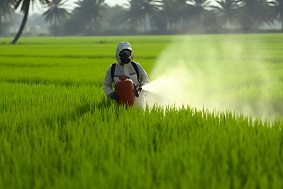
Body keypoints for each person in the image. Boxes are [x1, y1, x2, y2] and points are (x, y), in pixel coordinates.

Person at [103, 41, 149, 108]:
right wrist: (111, 94)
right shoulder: (112, 69)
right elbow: (106, 85)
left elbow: (145, 79)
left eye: (127, 53)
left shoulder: (136, 66)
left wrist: (141, 89)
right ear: (118, 54)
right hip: (119, 102)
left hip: (138, 101)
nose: (125, 55)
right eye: (123, 53)